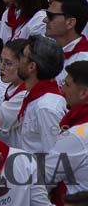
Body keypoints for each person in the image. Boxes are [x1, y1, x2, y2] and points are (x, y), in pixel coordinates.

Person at [5, 35, 67, 153]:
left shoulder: (46, 107)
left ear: (32, 66)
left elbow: (54, 156)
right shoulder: (35, 97)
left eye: (22, 55)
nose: (18, 59)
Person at [47, 60, 88, 203]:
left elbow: (45, 178)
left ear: (83, 93)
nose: (62, 89)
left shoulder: (77, 134)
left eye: (67, 85)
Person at [44, 0, 88, 84]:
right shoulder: (46, 50)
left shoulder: (84, 61)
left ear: (70, 23)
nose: (44, 20)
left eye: (50, 16)